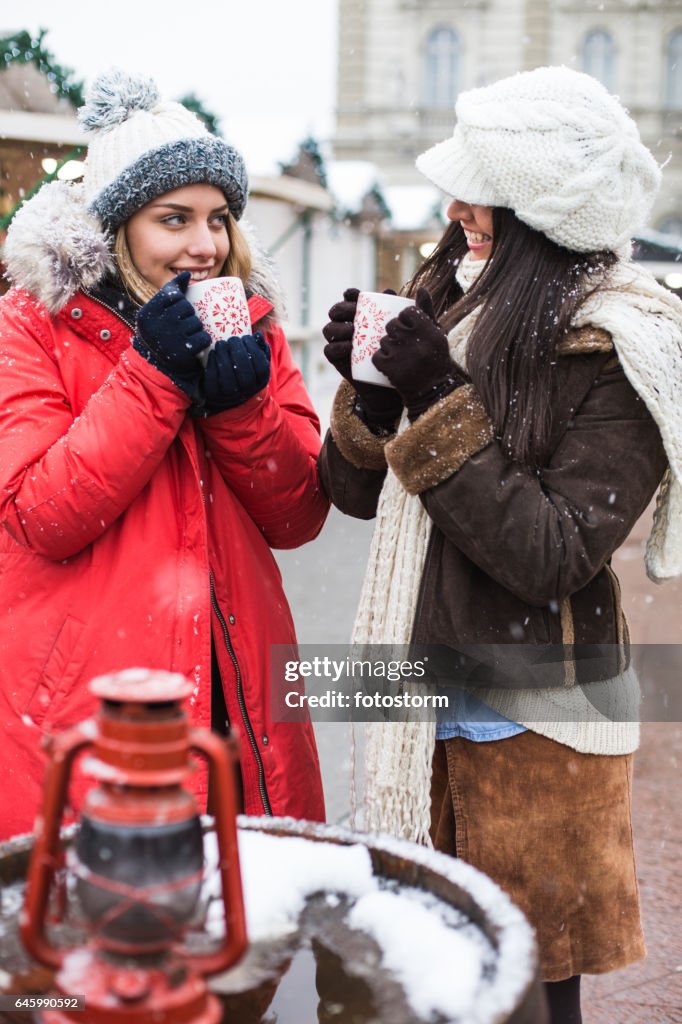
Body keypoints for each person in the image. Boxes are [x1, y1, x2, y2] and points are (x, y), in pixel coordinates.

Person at [318, 66, 682, 1024]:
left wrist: (436, 399)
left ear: (538, 208)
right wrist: (370, 394)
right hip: (418, 709)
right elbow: (350, 495)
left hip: (535, 730)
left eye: (479, 188)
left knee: (521, 995)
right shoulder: (455, 304)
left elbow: (553, 554)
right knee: (423, 984)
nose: (455, 209)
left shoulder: (622, 344)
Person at [0, 69, 329, 840]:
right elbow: (42, 514)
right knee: (105, 926)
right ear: (118, 229)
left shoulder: (251, 323)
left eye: (219, 220)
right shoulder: (32, 324)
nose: (204, 246)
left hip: (236, 684)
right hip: (95, 696)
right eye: (173, 219)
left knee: (242, 922)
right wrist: (153, 375)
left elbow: (298, 515)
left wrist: (241, 408)